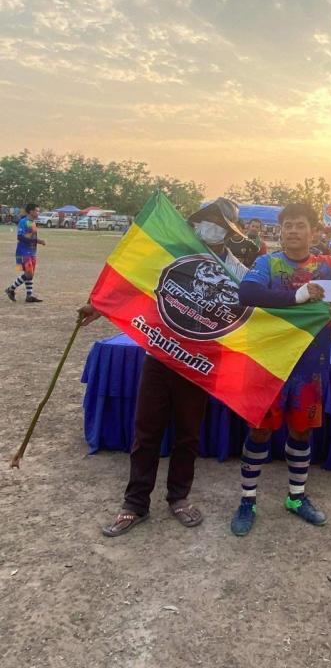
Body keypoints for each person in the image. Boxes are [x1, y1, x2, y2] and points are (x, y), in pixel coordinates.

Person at [79, 197, 248, 537]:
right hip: (160, 354)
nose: (211, 227)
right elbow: (135, 280)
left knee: (188, 434)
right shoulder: (174, 254)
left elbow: (258, 311)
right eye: (207, 219)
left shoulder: (239, 272)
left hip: (199, 363)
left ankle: (179, 497)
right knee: (146, 431)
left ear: (230, 232)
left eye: (220, 223)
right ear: (195, 222)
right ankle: (135, 504)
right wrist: (97, 305)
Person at [230, 202, 331, 537]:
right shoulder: (267, 263)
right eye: (287, 226)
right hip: (269, 365)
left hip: (310, 365)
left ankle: (296, 497)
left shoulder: (328, 266)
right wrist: (297, 296)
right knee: (259, 431)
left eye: (300, 225)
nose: (293, 231)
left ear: (314, 231)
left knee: (301, 430)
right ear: (280, 231)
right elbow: (247, 292)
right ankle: (247, 501)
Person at [5, 203, 45, 303]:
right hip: (23, 252)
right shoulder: (23, 221)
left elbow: (31, 236)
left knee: (30, 274)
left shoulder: (33, 223)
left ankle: (29, 296)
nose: (38, 212)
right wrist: (37, 241)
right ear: (31, 211)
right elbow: (20, 237)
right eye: (37, 211)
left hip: (32, 252)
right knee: (29, 274)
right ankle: (10, 289)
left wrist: (37, 241)